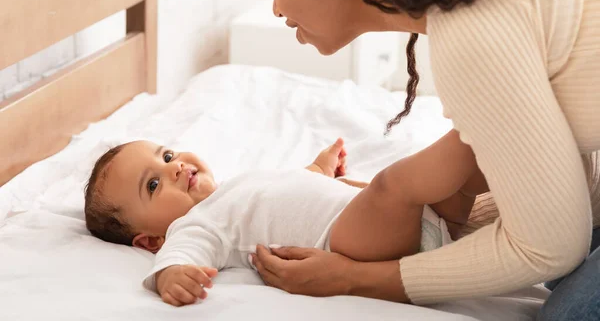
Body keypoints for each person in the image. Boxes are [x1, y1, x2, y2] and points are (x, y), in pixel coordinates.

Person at [248, 0, 600, 319]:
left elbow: (550, 248)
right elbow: (576, 156)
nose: (276, 8)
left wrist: (354, 278)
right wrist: (435, 226)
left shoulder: (473, 26)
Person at [83, 134, 485, 306]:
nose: (173, 168)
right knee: (394, 185)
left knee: (465, 179)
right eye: (152, 185)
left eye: (166, 155)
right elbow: (179, 255)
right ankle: (471, 128)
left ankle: (499, 140)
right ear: (149, 240)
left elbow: (293, 187)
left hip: (417, 224)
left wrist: (320, 167)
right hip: (352, 242)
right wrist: (172, 276)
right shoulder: (196, 224)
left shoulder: (239, 183)